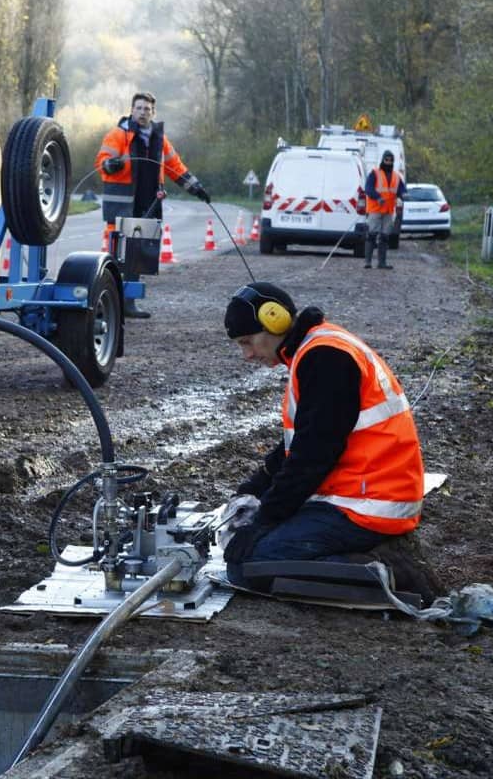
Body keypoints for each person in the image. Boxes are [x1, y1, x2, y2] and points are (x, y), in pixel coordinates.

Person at [220, 282, 425, 588]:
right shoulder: (317, 349)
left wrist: (264, 521)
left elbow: (312, 456)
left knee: (248, 566)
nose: (247, 355)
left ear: (274, 320)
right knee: (252, 552)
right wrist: (256, 486)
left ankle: (387, 570)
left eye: (248, 342)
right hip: (358, 496)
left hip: (367, 505)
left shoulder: (325, 358)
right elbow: (302, 441)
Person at [95, 91, 210, 318]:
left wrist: (197, 188)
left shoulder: (160, 139)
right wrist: (111, 165)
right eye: (138, 108)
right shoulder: (118, 135)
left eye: (147, 109)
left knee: (138, 257)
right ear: (131, 110)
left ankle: (129, 304)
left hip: (148, 205)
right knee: (116, 256)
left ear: (153, 113)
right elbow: (101, 163)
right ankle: (109, 303)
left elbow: (176, 167)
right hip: (122, 206)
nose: (142, 112)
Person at [363, 150, 406, 270]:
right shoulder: (374, 173)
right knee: (371, 235)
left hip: (388, 211)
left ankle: (382, 263)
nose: (389, 162)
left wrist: (404, 195)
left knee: (385, 237)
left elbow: (401, 190)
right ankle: (368, 262)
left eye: (391, 160)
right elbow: (368, 189)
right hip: (375, 209)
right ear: (382, 160)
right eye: (387, 159)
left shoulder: (397, 176)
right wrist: (378, 197)